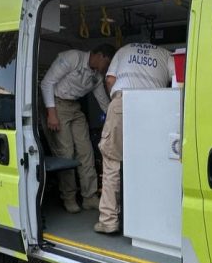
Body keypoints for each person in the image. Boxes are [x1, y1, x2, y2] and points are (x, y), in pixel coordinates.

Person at [94, 42, 175, 234]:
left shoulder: (124, 49)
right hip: (155, 107)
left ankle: (108, 221)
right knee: (151, 164)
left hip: (123, 102)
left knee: (112, 161)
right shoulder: (166, 54)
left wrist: (117, 101)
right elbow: (179, 80)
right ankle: (149, 218)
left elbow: (110, 80)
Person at [40, 44, 116, 213]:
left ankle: (89, 197)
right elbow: (46, 83)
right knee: (66, 153)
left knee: (86, 151)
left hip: (74, 107)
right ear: (100, 56)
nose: (108, 68)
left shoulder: (96, 76)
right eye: (108, 63)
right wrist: (51, 113)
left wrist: (115, 118)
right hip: (57, 104)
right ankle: (69, 197)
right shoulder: (73, 57)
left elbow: (103, 101)